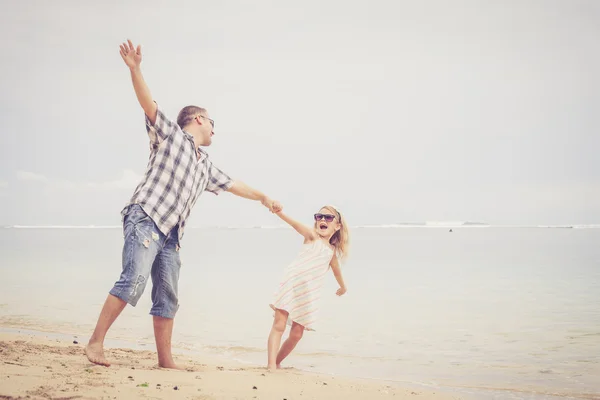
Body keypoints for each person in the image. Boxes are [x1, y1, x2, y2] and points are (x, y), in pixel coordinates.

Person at [85, 39, 282, 369]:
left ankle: (165, 361)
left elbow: (235, 185)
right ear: (200, 119)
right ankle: (95, 343)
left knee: (167, 297)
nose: (215, 132)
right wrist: (135, 69)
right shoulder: (172, 136)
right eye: (213, 124)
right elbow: (149, 105)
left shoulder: (204, 165)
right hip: (146, 217)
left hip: (171, 237)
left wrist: (263, 197)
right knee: (133, 279)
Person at [267, 205, 349, 371]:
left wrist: (343, 287)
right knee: (279, 325)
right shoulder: (312, 236)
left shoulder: (331, 252)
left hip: (308, 293)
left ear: (337, 226)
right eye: (319, 217)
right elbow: (294, 224)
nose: (323, 220)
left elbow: (337, 272)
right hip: (291, 283)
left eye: (328, 217)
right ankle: (271, 366)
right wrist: (279, 212)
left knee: (297, 334)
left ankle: (277, 361)